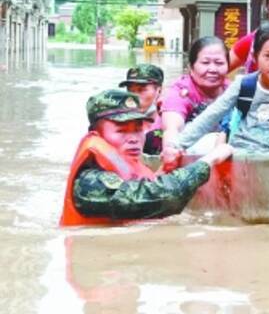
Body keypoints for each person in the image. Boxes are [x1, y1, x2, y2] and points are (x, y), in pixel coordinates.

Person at [59, 89, 232, 227]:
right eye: (121, 131)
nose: (134, 138)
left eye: (137, 129)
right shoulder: (88, 181)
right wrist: (208, 161)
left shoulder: (127, 166)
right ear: (97, 135)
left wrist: (163, 173)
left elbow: (144, 189)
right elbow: (154, 197)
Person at [163, 22, 269, 163]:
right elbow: (211, 115)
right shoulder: (243, 85)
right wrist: (177, 146)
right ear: (255, 57)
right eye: (267, 56)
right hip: (240, 156)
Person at [160, 36, 230, 167]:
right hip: (188, 153)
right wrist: (171, 152)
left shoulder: (234, 90)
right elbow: (172, 129)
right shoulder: (180, 93)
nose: (213, 69)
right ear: (191, 67)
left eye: (219, 63)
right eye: (205, 63)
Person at [118, 63, 164, 155]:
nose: (134, 96)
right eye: (130, 90)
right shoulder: (118, 122)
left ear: (159, 90)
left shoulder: (171, 121)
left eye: (141, 90)